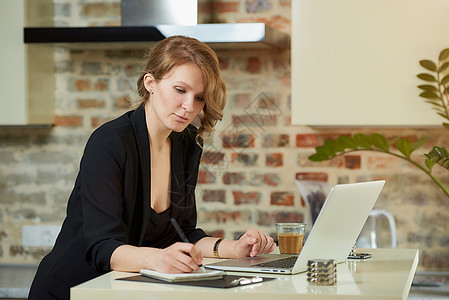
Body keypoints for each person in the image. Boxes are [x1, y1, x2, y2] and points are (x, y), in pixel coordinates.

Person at [28, 35, 276, 300]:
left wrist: (233, 248)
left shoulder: (187, 145)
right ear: (151, 83)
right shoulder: (109, 142)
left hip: (123, 291)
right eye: (180, 90)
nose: (189, 107)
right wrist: (160, 258)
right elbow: (104, 248)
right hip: (71, 290)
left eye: (200, 97)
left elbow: (183, 233)